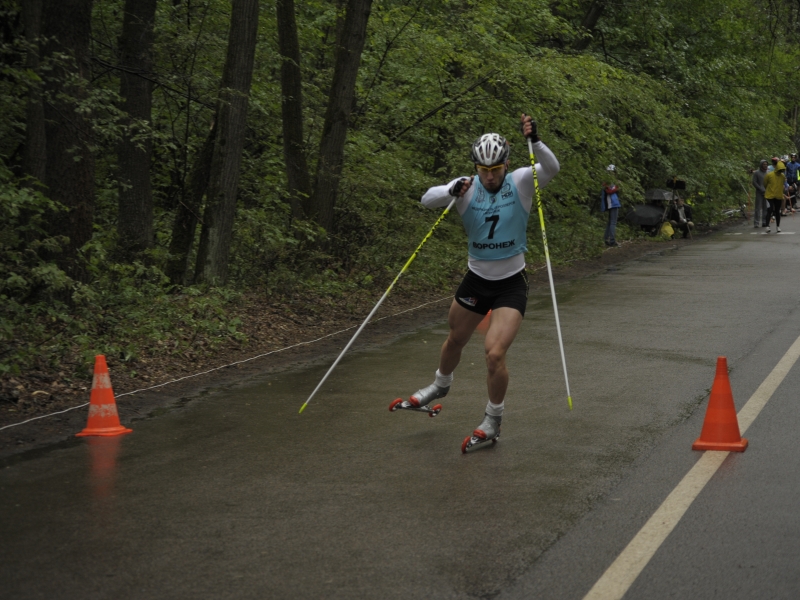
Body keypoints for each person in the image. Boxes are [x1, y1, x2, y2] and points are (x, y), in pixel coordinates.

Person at [409, 114, 559, 447]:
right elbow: (426, 199)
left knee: (494, 355)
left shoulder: (520, 181)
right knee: (455, 339)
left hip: (510, 283)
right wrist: (450, 189)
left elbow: (551, 169)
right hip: (476, 280)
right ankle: (440, 384)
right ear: (476, 167)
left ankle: (493, 419)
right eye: (483, 170)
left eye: (495, 169)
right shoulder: (466, 185)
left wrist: (536, 141)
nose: (490, 176)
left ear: (506, 164)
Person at [600, 166, 622, 247]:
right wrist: (617, 186)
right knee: (613, 222)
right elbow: (610, 191)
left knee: (610, 222)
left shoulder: (611, 182)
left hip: (613, 203)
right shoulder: (607, 183)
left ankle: (606, 239)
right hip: (612, 203)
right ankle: (612, 241)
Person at [764, 159, 786, 233]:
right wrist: (768, 189)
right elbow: (765, 183)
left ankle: (778, 226)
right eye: (780, 170)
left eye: (782, 170)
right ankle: (767, 226)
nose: (781, 171)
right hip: (769, 195)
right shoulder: (769, 175)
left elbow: (782, 184)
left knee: (777, 211)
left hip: (778, 195)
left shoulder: (782, 176)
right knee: (769, 210)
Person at [751, 159, 768, 228]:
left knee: (765, 208)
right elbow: (754, 182)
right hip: (759, 192)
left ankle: (764, 221)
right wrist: (760, 188)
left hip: (766, 192)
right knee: (758, 208)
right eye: (764, 164)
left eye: (766, 164)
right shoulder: (757, 173)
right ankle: (756, 222)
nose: (765, 166)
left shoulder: (768, 173)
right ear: (761, 165)